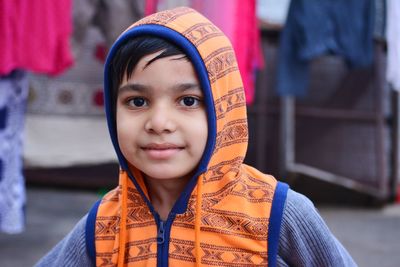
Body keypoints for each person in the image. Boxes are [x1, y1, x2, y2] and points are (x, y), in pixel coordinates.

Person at [35, 7, 357, 267]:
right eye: (137, 101)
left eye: (188, 101)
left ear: (223, 107)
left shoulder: (277, 213)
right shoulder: (105, 224)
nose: (159, 123)